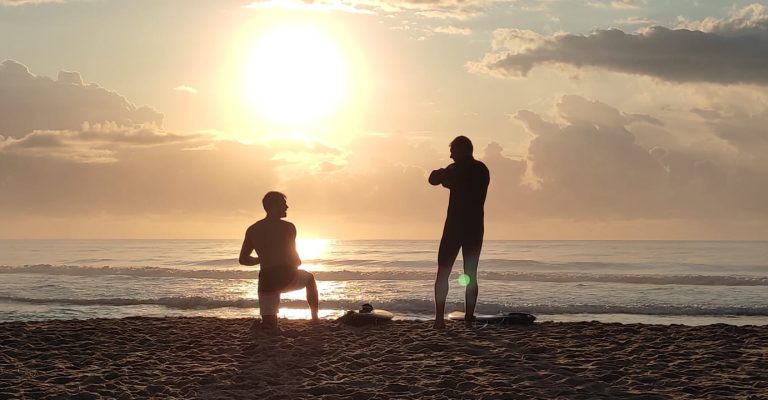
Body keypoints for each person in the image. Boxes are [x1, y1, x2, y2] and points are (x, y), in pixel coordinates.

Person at [428, 136, 490, 329]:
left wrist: (445, 177)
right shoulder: (482, 169)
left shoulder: (456, 170)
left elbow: (432, 179)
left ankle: (439, 319)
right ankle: (469, 317)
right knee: (471, 273)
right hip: (475, 227)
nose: (450, 155)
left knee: (443, 273)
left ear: (462, 150)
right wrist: (447, 179)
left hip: (454, 227)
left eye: (453, 151)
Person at [239, 191, 319, 330]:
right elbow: (296, 260)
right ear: (273, 205)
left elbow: (243, 259)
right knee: (310, 278)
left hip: (266, 281)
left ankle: (263, 325)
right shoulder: (288, 227)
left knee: (270, 325)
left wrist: (262, 259)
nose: (287, 207)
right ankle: (314, 318)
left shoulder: (252, 229)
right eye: (283, 203)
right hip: (286, 277)